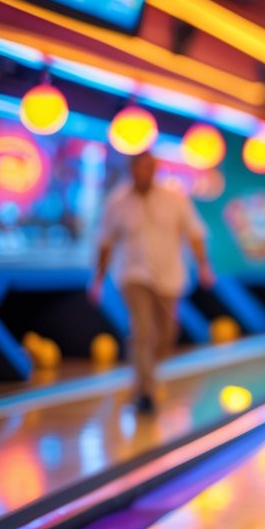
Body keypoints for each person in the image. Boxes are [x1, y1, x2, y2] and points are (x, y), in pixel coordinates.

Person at [89, 150, 214, 413]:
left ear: (155, 169)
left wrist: (204, 265)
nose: (144, 173)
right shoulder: (117, 202)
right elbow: (105, 243)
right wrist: (98, 279)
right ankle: (146, 394)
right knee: (143, 330)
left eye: (149, 168)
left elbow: (194, 234)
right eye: (139, 168)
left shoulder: (174, 198)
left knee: (167, 334)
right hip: (133, 275)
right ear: (131, 169)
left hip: (169, 277)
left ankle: (141, 377)